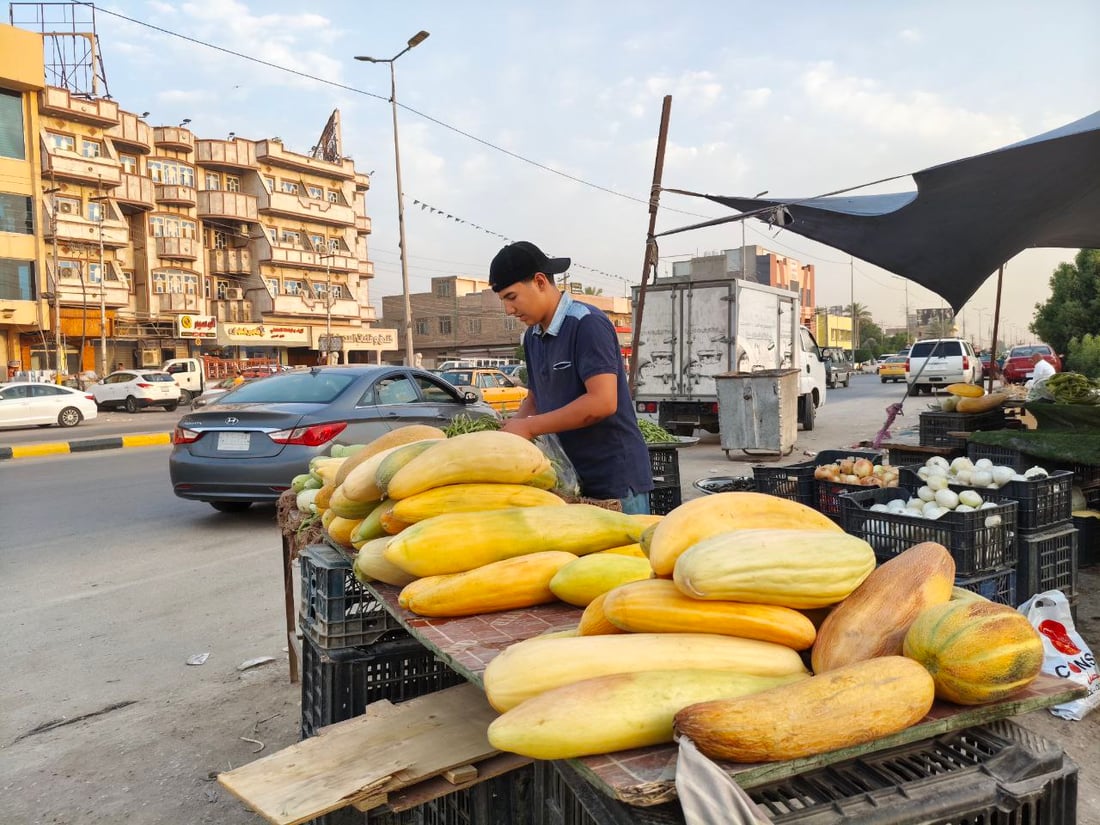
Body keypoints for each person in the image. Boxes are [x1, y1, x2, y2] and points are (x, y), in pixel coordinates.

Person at [490, 240, 653, 514]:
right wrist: (511, 432)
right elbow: (536, 397)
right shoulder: (532, 336)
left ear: (540, 282)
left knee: (625, 556)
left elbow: (603, 402)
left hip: (615, 482)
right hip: (570, 480)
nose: (508, 309)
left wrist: (530, 427)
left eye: (511, 297)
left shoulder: (587, 324)